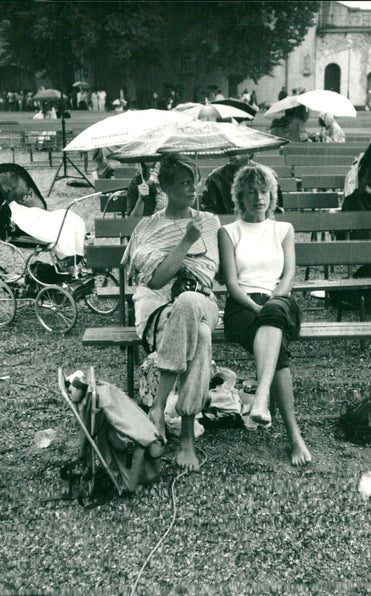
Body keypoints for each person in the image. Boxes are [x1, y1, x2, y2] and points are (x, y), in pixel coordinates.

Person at [121, 155, 221, 472]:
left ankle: (159, 406)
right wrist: (186, 240)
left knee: (191, 300)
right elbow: (156, 280)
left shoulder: (211, 221)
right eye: (183, 182)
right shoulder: (148, 226)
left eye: (195, 180)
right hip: (158, 308)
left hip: (203, 302)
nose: (193, 188)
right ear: (164, 187)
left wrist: (195, 236)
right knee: (202, 336)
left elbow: (209, 273)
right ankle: (187, 436)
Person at [218, 164, 311, 466]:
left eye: (263, 191)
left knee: (274, 320)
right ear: (239, 197)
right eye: (250, 193)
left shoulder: (283, 229)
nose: (258, 198)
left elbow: (289, 275)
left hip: (278, 300)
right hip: (243, 306)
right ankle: (294, 437)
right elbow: (231, 285)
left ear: (272, 194)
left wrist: (272, 303)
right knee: (277, 348)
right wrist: (259, 309)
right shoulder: (228, 232)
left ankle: (260, 398)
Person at [200, 153, 284, 215]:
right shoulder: (216, 176)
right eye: (231, 149)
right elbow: (209, 209)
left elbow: (276, 207)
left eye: (238, 150)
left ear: (250, 153)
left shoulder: (267, 174)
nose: (232, 153)